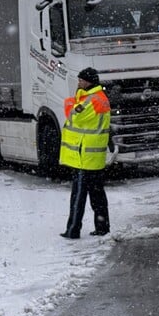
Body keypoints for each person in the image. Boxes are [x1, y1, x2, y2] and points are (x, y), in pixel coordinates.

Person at [59, 67, 112, 239]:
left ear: (88, 81)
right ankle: (102, 227)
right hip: (93, 156)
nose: (79, 83)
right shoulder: (98, 98)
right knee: (97, 195)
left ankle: (73, 229)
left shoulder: (91, 100)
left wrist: (69, 102)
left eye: (81, 80)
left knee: (78, 196)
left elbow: (75, 116)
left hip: (85, 157)